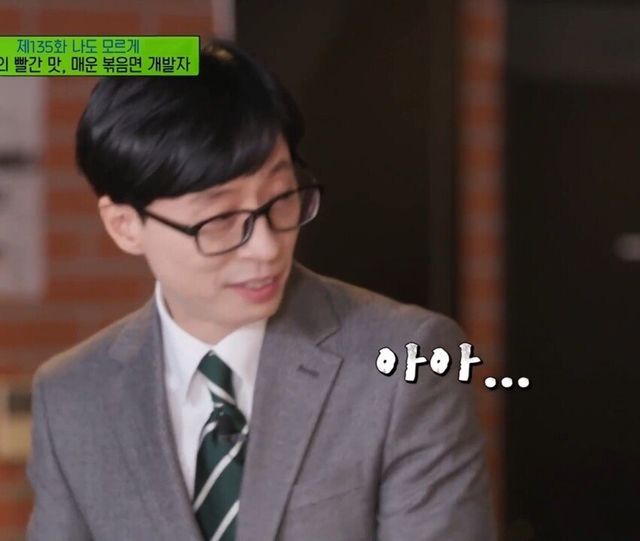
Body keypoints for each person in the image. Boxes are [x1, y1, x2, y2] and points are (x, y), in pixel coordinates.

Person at [26, 39, 497, 541]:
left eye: (282, 197)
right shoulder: (72, 396)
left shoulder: (406, 360)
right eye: (221, 218)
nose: (267, 246)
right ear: (124, 225)